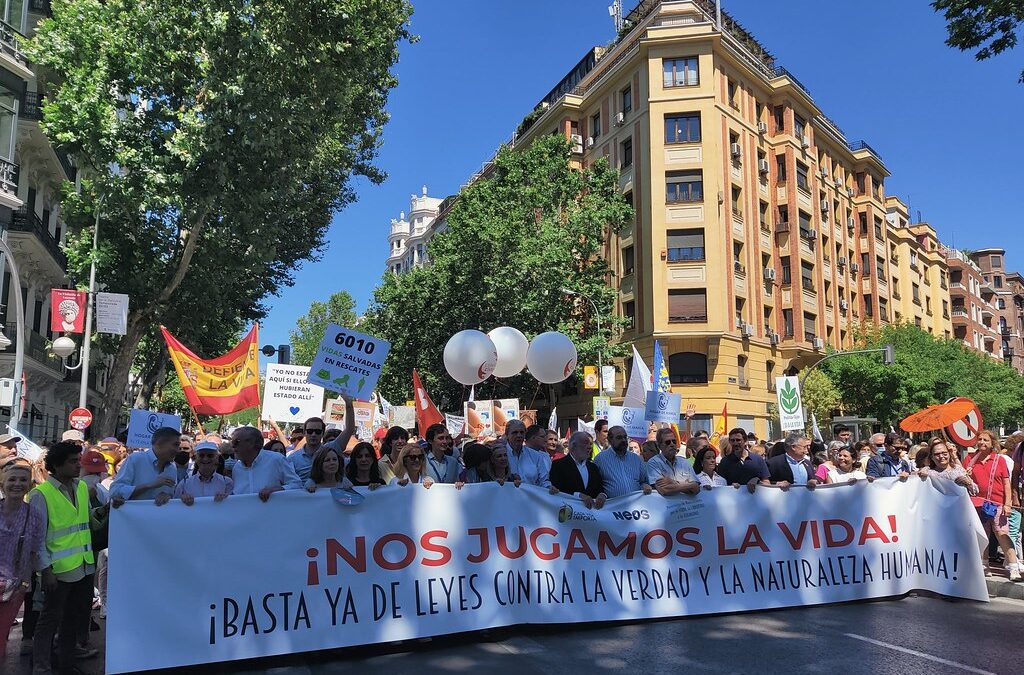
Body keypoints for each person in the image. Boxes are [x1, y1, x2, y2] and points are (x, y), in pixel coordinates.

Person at [29, 441, 109, 672]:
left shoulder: (82, 487)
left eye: (78, 460)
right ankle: (41, 668)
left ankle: (66, 665)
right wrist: (46, 570)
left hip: (84, 567)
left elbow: (83, 522)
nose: (78, 465)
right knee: (48, 621)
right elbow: (37, 538)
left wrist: (104, 511)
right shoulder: (40, 495)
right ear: (57, 465)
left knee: (71, 620)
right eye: (73, 461)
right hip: (58, 570)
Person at [0, 458, 43, 659]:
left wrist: (25, 584)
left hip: (15, 587)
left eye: (23, 480)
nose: (17, 484)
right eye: (12, 480)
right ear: (2, 484)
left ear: (29, 485)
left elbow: (34, 551)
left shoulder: (34, 515)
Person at [964, 430, 1020, 580]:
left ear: (992, 443)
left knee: (1002, 533)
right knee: (983, 535)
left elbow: (1006, 483)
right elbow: (962, 480)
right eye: (980, 439)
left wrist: (1007, 504)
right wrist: (966, 475)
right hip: (977, 504)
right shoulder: (969, 459)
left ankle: (1013, 567)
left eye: (985, 440)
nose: (982, 442)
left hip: (997, 504)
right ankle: (984, 565)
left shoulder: (999, 460)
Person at [109, 427, 181, 506]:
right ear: (160, 443)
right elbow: (115, 491)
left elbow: (172, 496)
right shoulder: (135, 459)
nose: (178, 450)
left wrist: (168, 496)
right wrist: (150, 485)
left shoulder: (172, 468)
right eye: (175, 445)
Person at [230, 426, 303, 500]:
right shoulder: (237, 468)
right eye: (232, 442)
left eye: (236, 442)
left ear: (251, 443)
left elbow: (297, 484)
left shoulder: (276, 459)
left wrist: (279, 489)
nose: (233, 446)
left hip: (273, 511)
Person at [549, 432, 607, 508]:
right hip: (569, 513)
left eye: (590, 444)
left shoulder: (593, 467)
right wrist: (578, 495)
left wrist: (602, 495)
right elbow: (556, 491)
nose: (589, 447)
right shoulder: (558, 465)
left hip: (592, 515)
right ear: (574, 446)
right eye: (585, 443)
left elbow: (600, 489)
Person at [594, 426, 652, 498]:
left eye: (625, 437)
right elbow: (595, 486)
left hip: (636, 505)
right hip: (613, 507)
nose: (623, 440)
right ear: (610, 440)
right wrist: (602, 495)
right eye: (619, 438)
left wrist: (645, 486)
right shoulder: (600, 459)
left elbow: (643, 481)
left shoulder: (636, 459)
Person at [646, 427, 700, 496]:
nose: (672, 444)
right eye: (667, 442)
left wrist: (672, 482)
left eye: (674, 441)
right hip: (667, 506)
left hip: (687, 505)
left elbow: (696, 488)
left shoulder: (684, 462)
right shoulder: (653, 463)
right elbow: (664, 490)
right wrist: (689, 485)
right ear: (659, 446)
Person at [718, 428, 771, 492]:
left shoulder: (758, 460)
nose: (735, 443)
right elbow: (720, 486)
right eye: (732, 440)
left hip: (754, 500)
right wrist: (729, 486)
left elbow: (767, 483)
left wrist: (757, 481)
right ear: (729, 442)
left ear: (745, 441)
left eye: (738, 440)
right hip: (734, 499)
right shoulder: (724, 462)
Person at [504, 420, 551, 488]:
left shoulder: (536, 456)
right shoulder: (500, 455)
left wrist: (549, 488)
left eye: (522, 432)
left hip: (530, 497)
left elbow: (543, 481)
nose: (519, 435)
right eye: (515, 432)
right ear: (507, 435)